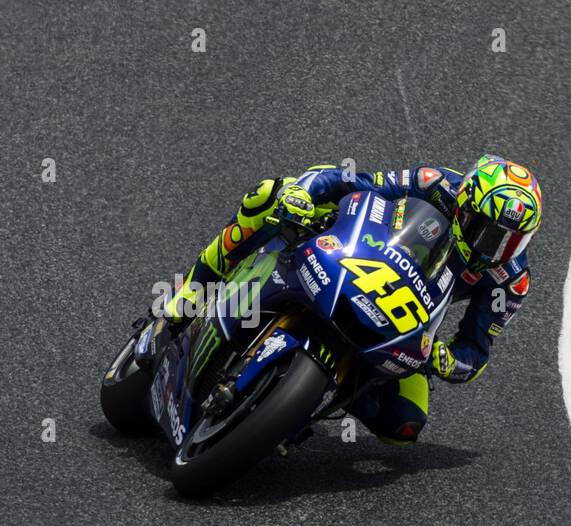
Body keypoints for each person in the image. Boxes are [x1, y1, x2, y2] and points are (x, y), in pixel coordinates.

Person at [157, 154, 541, 443]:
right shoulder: (434, 183)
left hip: (405, 319)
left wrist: (447, 360)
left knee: (404, 424)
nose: (497, 248)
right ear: (465, 204)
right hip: (361, 256)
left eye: (513, 240)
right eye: (489, 232)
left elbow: (475, 350)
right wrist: (302, 194)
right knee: (268, 195)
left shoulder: (511, 280)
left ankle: (303, 406)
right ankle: (195, 287)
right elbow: (354, 182)